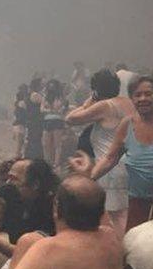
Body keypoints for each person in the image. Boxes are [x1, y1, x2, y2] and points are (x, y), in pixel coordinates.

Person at [73, 75, 153, 231]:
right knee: (132, 244)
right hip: (138, 201)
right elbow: (110, 158)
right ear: (132, 99)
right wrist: (88, 179)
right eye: (137, 95)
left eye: (148, 94)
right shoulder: (127, 125)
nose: (143, 98)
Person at [65, 69, 135, 234]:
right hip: (129, 164)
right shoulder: (128, 102)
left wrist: (89, 101)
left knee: (115, 217)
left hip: (109, 168)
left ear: (96, 89)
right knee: (128, 213)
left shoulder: (104, 106)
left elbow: (70, 119)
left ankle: (121, 252)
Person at [42, 79, 68, 168]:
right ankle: (47, 161)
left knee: (57, 143)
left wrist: (54, 111)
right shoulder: (45, 97)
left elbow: (63, 109)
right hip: (47, 120)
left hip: (57, 121)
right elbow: (42, 109)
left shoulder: (61, 97)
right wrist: (51, 110)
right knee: (46, 143)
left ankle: (56, 163)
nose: (51, 87)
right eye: (50, 86)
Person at [24, 78, 45, 160]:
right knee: (35, 138)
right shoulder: (35, 95)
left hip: (33, 120)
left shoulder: (31, 94)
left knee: (34, 138)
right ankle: (34, 155)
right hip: (35, 120)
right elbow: (43, 103)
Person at [12, 84, 29, 158]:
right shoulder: (22, 103)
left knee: (19, 144)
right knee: (20, 144)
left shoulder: (17, 105)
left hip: (18, 125)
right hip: (21, 125)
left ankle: (18, 157)